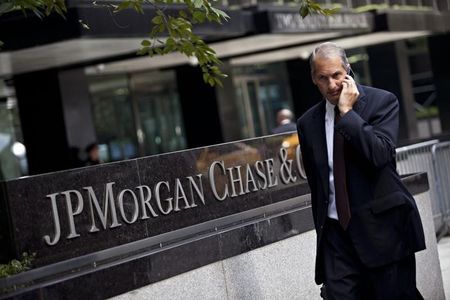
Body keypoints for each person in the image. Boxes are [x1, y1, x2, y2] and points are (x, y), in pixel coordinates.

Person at [296, 42, 425, 299]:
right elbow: (318, 185)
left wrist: (347, 112)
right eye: (323, 78)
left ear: (348, 70)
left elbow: (381, 156)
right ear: (314, 79)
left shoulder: (382, 102)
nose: (331, 84)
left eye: (336, 75)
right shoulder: (307, 123)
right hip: (336, 238)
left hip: (383, 232)